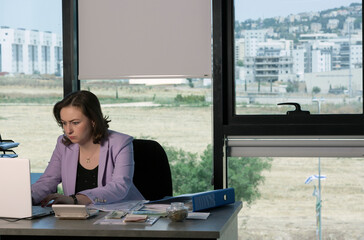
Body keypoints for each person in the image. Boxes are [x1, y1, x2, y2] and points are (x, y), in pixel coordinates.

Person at [31, 90, 144, 206]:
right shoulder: (63, 144)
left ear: (93, 121)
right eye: (64, 123)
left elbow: (119, 186)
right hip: (79, 217)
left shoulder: (121, 143)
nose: (68, 130)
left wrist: (74, 200)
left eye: (75, 123)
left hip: (121, 215)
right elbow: (48, 180)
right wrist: (28, 196)